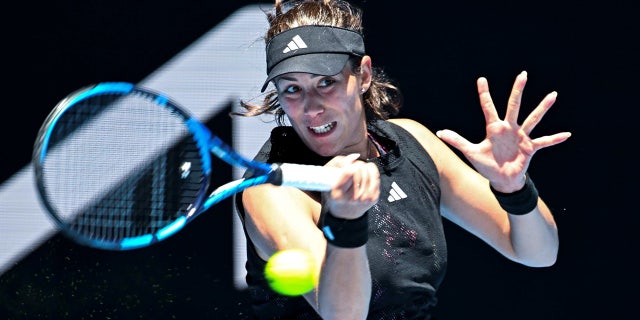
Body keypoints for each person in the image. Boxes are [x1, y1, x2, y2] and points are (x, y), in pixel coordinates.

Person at [232, 0, 572, 319]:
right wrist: (345, 222)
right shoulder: (271, 193)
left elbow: (539, 254)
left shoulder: (411, 142)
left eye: (326, 82)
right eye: (292, 88)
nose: (312, 106)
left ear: (363, 75)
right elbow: (344, 315)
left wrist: (512, 189)